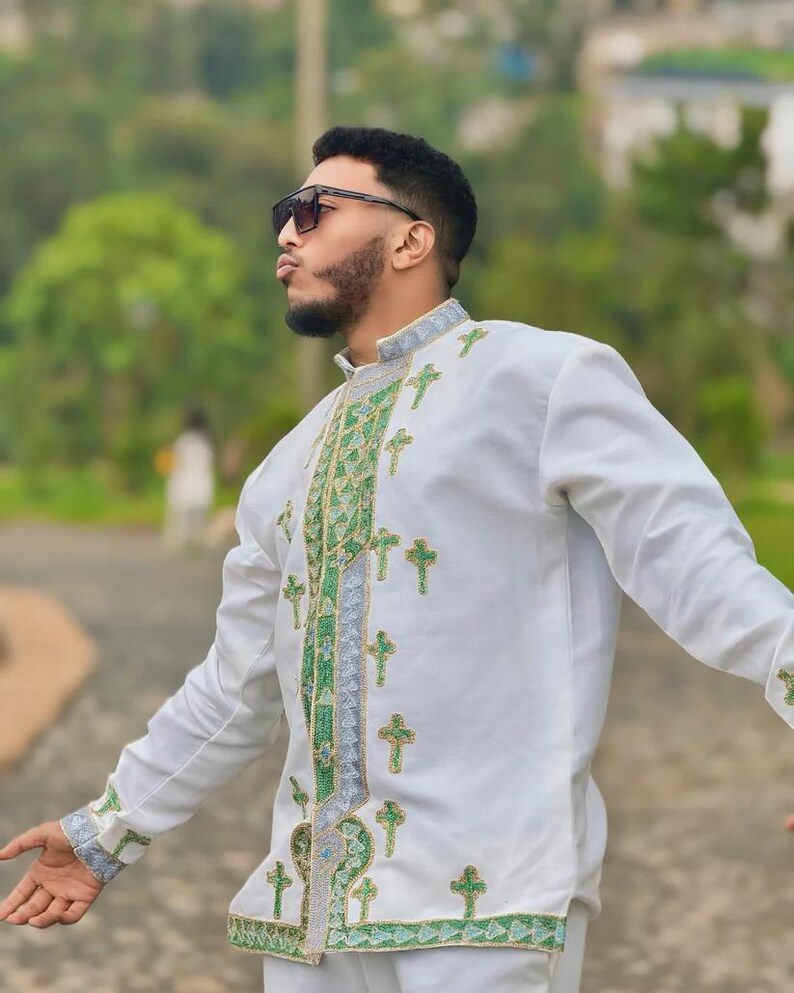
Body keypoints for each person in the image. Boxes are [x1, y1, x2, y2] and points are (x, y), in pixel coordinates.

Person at [1, 126, 792, 993]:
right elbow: (236, 686)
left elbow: (704, 573)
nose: (286, 233)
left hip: (486, 903)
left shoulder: (543, 379)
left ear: (413, 237)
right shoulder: (286, 466)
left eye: (314, 210)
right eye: (283, 213)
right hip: (312, 921)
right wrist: (106, 828)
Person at [160, 408, 215, 551]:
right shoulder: (206, 442)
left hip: (183, 483)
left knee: (179, 519)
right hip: (201, 483)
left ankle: (177, 544)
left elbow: (176, 463)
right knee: (199, 519)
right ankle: (199, 543)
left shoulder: (183, 441)